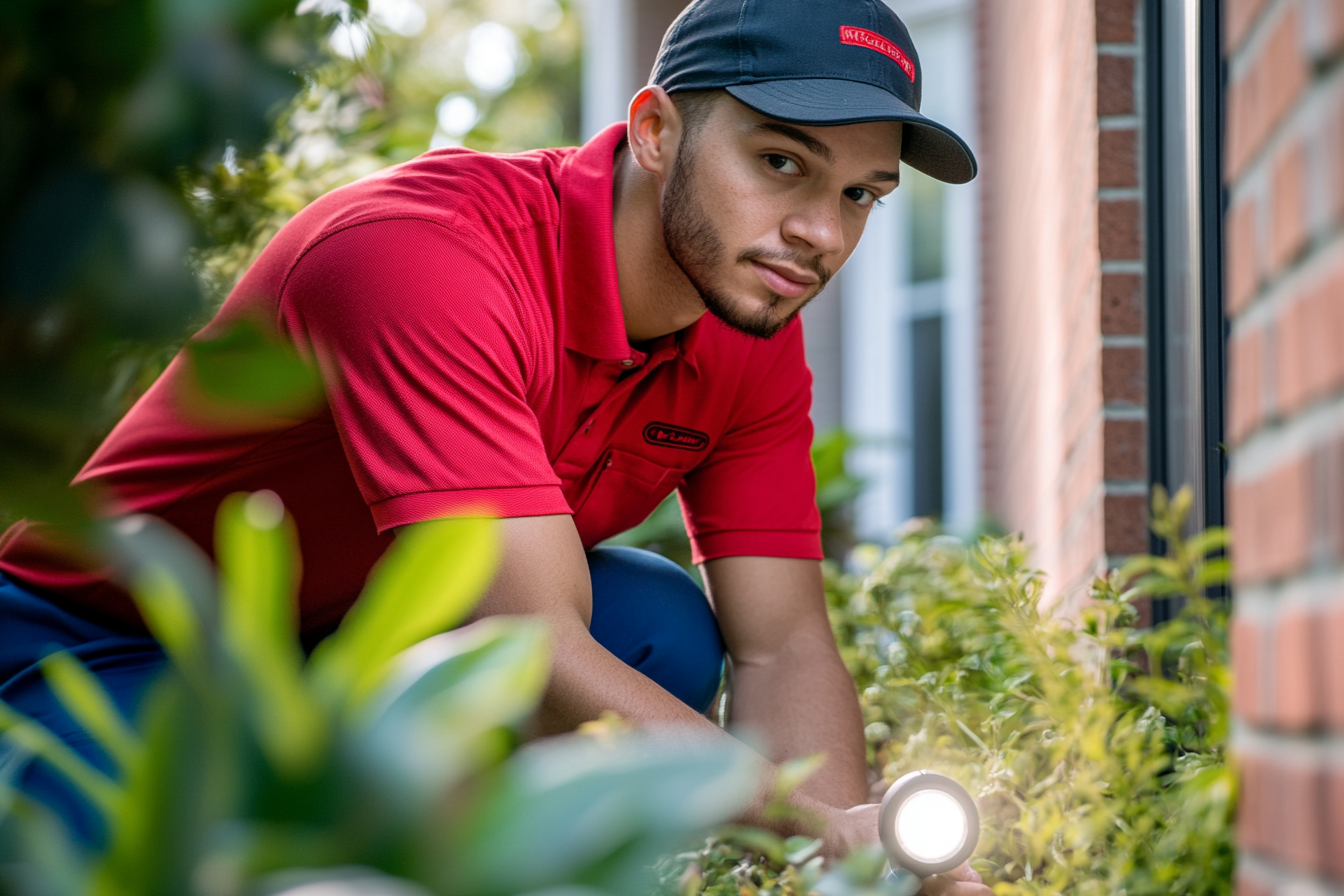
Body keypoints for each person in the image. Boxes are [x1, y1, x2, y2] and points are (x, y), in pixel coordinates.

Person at [0, 0, 987, 890]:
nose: (819, 231)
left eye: (862, 194)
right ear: (655, 131)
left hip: (358, 653)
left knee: (656, 621)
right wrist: (806, 820)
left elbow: (783, 644)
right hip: (104, 646)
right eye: (782, 162)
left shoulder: (748, 317)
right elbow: (530, 644)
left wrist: (855, 873)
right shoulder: (421, 257)